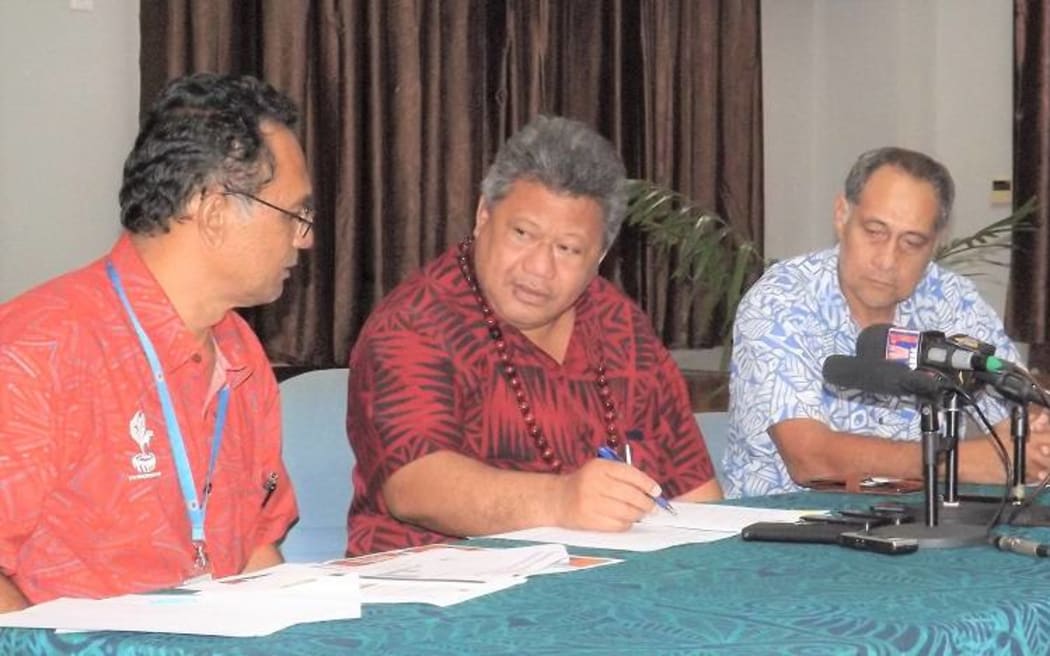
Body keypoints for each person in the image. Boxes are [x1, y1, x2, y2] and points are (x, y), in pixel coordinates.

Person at [0, 73, 312, 610]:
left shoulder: (241, 353)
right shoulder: (38, 350)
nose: (305, 239)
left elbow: (256, 550)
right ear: (214, 212)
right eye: (295, 215)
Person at [346, 115, 721, 555]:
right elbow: (417, 487)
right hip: (437, 592)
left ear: (599, 255)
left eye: (568, 249)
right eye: (523, 234)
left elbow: (696, 491)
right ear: (484, 215)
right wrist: (561, 500)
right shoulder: (416, 322)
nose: (539, 268)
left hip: (608, 586)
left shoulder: (621, 326)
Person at [723, 146, 1050, 498]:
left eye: (912, 242)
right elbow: (811, 460)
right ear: (841, 215)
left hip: (916, 523)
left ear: (934, 245)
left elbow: (1020, 403)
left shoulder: (951, 299)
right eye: (875, 231)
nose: (887, 259)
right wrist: (962, 462)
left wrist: (1036, 441)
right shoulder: (780, 300)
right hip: (786, 527)